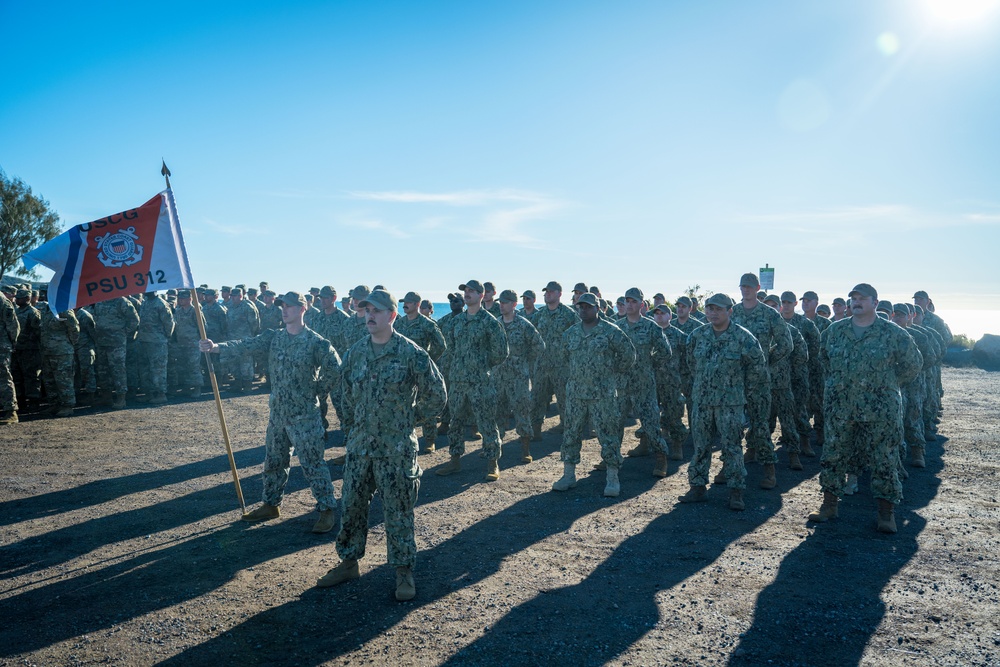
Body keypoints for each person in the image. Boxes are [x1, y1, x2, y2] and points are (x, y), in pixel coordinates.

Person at [316, 289, 446, 601]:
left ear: (391, 315)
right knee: (352, 506)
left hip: (396, 448)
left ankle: (403, 570)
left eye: (376, 310)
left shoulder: (411, 352)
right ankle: (348, 562)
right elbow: (346, 394)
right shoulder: (356, 352)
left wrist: (407, 419)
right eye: (365, 310)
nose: (369, 315)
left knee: (398, 509)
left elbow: (437, 395)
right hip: (360, 446)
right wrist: (355, 425)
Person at [199, 291, 342, 533]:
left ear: (302, 309)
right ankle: (271, 504)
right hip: (278, 414)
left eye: (289, 306)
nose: (284, 310)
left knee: (312, 464)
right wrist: (215, 348)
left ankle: (327, 509)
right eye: (282, 306)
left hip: (305, 416)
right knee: (274, 461)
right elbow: (245, 345)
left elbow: (336, 370)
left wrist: (316, 391)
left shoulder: (317, 343)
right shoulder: (274, 338)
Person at [808, 283, 922, 533]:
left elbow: (913, 364)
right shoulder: (834, 331)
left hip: (881, 410)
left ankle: (886, 512)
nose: (856, 302)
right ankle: (829, 505)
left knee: (885, 458)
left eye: (862, 298)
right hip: (841, 407)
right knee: (833, 455)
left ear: (875, 303)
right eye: (853, 299)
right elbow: (824, 359)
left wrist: (889, 384)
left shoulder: (893, 333)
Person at [678, 293, 768, 511]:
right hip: (702, 402)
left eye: (718, 309)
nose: (713, 313)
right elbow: (691, 364)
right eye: (710, 308)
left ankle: (736, 491)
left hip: (731, 403)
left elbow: (757, 368)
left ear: (730, 311)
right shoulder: (697, 335)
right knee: (700, 446)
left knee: (732, 447)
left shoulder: (743, 337)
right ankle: (697, 486)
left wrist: (741, 392)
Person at [551, 293, 635, 498]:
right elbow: (561, 358)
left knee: (608, 435)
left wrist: (609, 373)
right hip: (576, 394)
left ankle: (612, 477)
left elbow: (629, 356)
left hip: (602, 394)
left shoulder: (610, 331)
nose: (583, 310)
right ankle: (568, 475)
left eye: (588, 307)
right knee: (571, 434)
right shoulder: (570, 333)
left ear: (598, 308)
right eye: (580, 307)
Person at [436, 280, 508, 480]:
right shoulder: (456, 322)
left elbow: (501, 351)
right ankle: (455, 460)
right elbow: (449, 348)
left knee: (486, 422)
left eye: (471, 291)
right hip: (458, 380)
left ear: (481, 295)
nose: (467, 294)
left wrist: (482, 364)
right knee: (455, 422)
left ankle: (492, 463)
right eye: (465, 291)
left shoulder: (490, 322)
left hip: (479, 381)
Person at [729, 272, 792, 490]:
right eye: (742, 286)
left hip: (759, 381)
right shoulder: (732, 312)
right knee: (732, 425)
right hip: (735, 380)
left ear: (757, 288)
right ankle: (730, 467)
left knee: (760, 424)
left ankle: (769, 470)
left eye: (749, 286)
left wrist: (766, 361)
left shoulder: (769, 314)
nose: (745, 290)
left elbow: (786, 343)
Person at [617, 287, 673, 477]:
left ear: (641, 305)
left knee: (650, 422)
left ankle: (661, 458)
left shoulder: (651, 327)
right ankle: (611, 458)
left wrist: (649, 365)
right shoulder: (617, 327)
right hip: (622, 385)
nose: (630, 305)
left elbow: (665, 352)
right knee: (615, 422)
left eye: (634, 301)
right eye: (627, 301)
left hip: (644, 384)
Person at [494, 289, 545, 463]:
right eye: (500, 302)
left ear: (514, 304)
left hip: (519, 379)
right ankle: (495, 449)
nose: (501, 305)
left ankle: (525, 450)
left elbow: (539, 346)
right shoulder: (495, 324)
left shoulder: (523, 325)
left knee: (522, 413)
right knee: (497, 414)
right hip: (498, 378)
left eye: (505, 302)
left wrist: (522, 361)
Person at [394, 291, 447, 451]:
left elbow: (441, 345)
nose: (404, 305)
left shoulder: (427, 324)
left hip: (421, 371)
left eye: (408, 302)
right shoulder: (399, 324)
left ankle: (430, 439)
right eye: (403, 302)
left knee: (425, 401)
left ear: (417, 304)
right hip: (403, 371)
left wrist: (428, 361)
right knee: (402, 402)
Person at [529, 281, 578, 437]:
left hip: (562, 366)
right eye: (546, 292)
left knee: (564, 398)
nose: (547, 294)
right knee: (537, 397)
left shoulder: (569, 314)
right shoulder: (539, 315)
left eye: (550, 292)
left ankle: (566, 427)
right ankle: (535, 429)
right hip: (541, 365)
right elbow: (531, 336)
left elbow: (578, 336)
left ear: (559, 294)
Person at [92, 296, 140, 409]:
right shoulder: (99, 302)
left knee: (118, 370)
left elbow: (134, 319)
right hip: (102, 341)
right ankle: (106, 397)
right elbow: (96, 319)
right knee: (102, 370)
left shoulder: (121, 301)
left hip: (116, 343)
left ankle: (121, 398)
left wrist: (124, 333)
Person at [40, 306, 79, 417]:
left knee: (64, 379)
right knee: (49, 380)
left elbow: (74, 328)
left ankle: (68, 405)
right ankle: (54, 404)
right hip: (47, 350)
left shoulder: (64, 309)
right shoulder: (46, 309)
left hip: (62, 351)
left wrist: (69, 344)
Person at [136, 292, 175, 404]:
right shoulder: (145, 303)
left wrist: (166, 336)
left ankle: (161, 394)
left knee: (158, 369)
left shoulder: (161, 304)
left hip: (157, 342)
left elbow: (169, 323)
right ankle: (149, 393)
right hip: (144, 340)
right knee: (145, 369)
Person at [0, 292, 21, 424]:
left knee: (3, 377)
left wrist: (11, 342)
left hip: (1, 346)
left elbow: (13, 326)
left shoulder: (2, 301)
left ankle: (11, 411)